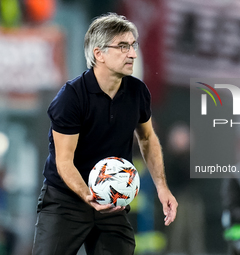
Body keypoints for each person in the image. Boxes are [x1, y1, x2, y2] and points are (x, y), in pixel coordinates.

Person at [32, 13, 177, 255]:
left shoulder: (137, 91)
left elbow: (147, 138)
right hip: (65, 200)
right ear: (99, 54)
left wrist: (162, 187)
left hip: (113, 202)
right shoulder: (71, 97)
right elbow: (63, 161)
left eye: (133, 45)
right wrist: (89, 195)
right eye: (122, 46)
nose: (132, 53)